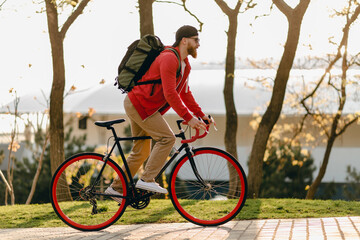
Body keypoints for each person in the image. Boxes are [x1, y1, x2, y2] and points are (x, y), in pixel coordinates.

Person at [106, 25, 211, 203]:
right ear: (184, 40)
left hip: (141, 105)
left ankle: (116, 188)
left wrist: (200, 115)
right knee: (167, 139)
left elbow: (184, 93)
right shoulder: (169, 58)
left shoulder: (185, 65)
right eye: (196, 40)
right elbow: (171, 94)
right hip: (139, 104)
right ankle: (147, 179)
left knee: (141, 151)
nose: (199, 44)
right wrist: (188, 118)